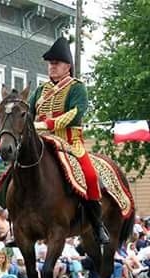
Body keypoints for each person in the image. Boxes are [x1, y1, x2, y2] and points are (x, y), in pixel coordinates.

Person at [29, 37, 109, 245]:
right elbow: (29, 114)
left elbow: (75, 113)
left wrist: (46, 124)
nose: (52, 67)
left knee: (90, 177)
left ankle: (97, 224)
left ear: (67, 67)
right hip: (42, 142)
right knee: (13, 172)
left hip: (70, 143)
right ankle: (17, 222)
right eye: (50, 64)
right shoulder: (40, 90)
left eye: (56, 63)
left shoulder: (77, 88)